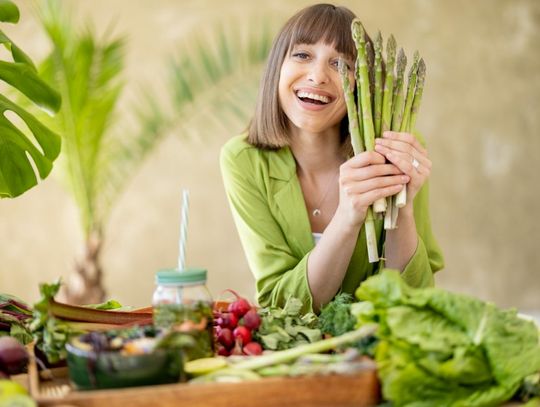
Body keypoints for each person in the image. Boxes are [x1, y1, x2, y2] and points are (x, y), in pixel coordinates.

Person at [220, 3, 444, 313]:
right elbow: (280, 305)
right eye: (302, 55)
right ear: (277, 67)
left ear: (360, 84)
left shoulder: (398, 149)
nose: (317, 76)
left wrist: (401, 209)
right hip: (293, 356)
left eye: (341, 64)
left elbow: (412, 302)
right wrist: (348, 216)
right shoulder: (244, 159)